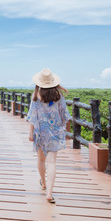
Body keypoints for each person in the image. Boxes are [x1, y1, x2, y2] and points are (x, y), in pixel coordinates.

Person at [26, 68, 69, 203]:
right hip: (55, 132)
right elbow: (64, 116)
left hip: (40, 132)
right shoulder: (59, 97)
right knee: (52, 162)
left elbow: (33, 117)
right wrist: (62, 130)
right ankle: (49, 193)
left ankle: (43, 182)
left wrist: (31, 133)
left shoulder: (35, 98)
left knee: (41, 160)